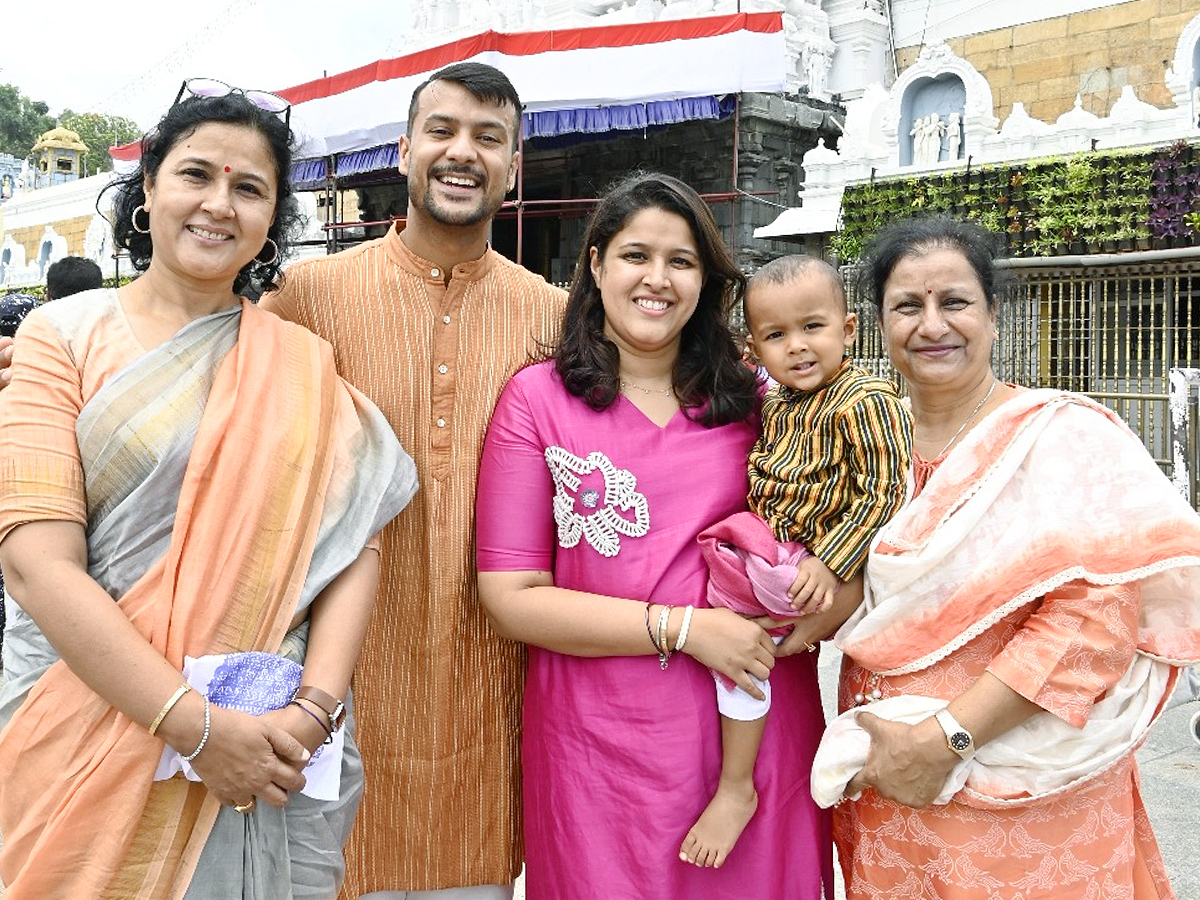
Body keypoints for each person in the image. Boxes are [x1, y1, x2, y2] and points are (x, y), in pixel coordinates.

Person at [0, 82, 416, 899]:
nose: (218, 204)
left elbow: (356, 540)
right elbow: (35, 566)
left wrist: (313, 713)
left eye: (249, 187)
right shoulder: (61, 338)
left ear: (271, 220)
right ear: (147, 187)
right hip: (77, 710)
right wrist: (197, 730)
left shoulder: (300, 363)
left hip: (272, 745)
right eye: (196, 175)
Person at [475, 172, 842, 900]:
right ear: (596, 264)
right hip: (598, 744)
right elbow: (510, 596)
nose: (658, 279)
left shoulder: (761, 396)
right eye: (636, 255)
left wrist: (826, 605)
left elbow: (851, 518)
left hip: (754, 724)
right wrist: (685, 628)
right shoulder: (537, 401)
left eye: (682, 261)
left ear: (706, 280)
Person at [812, 216, 1200, 899]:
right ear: (878, 323)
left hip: (1029, 792)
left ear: (993, 314)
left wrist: (947, 740)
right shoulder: (866, 446)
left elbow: (1092, 623)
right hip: (890, 790)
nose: (932, 324)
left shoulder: (1059, 436)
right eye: (908, 306)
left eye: (954, 302)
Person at [259, 62, 565, 899]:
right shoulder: (310, 295)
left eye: (488, 138)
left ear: (512, 166)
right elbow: (211, 385)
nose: (462, 153)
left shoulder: (556, 316)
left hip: (487, 690)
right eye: (443, 130)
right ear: (404, 150)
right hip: (341, 684)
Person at [680, 255, 910, 868]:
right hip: (778, 547)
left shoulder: (863, 398)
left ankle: (736, 784)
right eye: (777, 336)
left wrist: (834, 565)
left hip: (812, 559)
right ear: (755, 348)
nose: (798, 347)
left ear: (850, 330)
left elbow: (885, 490)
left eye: (813, 327)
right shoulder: (778, 402)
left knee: (741, 650)